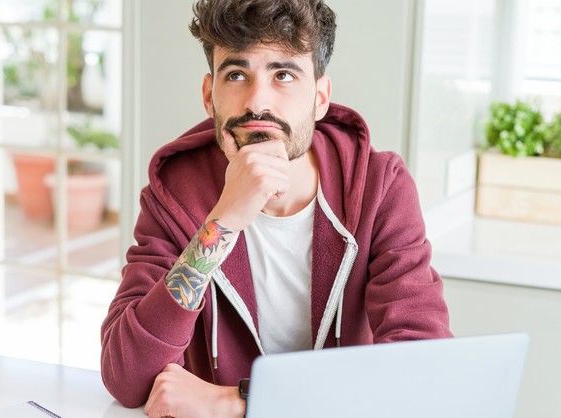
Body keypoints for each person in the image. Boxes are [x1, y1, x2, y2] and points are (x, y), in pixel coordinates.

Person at [100, 0, 452, 416]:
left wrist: (241, 402)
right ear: (210, 96)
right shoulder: (175, 192)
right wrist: (224, 219)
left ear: (320, 98)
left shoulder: (380, 187)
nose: (257, 102)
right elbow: (126, 377)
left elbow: (424, 369)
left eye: (283, 74)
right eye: (236, 74)